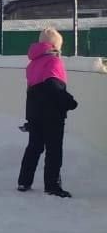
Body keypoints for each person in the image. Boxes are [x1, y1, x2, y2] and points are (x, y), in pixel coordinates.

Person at [18, 28, 77, 197]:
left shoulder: (32, 64)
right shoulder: (54, 62)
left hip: (35, 113)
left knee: (34, 148)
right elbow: (54, 87)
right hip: (52, 114)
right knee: (54, 150)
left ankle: (24, 181)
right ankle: (52, 185)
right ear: (54, 45)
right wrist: (69, 102)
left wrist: (30, 116)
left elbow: (32, 91)